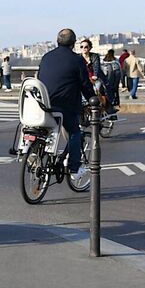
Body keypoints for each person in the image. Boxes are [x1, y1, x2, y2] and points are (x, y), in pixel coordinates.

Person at [38, 29, 95, 187]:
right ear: (73, 43)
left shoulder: (46, 57)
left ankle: (36, 155)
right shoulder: (76, 60)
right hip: (63, 106)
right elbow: (85, 84)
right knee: (75, 133)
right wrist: (93, 99)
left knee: (46, 131)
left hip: (43, 105)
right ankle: (74, 168)